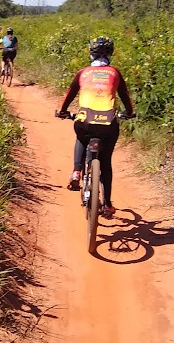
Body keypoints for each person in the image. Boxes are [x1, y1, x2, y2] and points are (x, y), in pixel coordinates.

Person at [55, 36, 135, 218]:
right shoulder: (115, 73)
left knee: (81, 136)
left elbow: (69, 94)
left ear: (90, 53)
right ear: (111, 53)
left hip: (85, 121)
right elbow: (125, 97)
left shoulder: (83, 73)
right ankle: (107, 205)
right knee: (105, 163)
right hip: (109, 124)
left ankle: (76, 172)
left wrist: (62, 111)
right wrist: (129, 112)